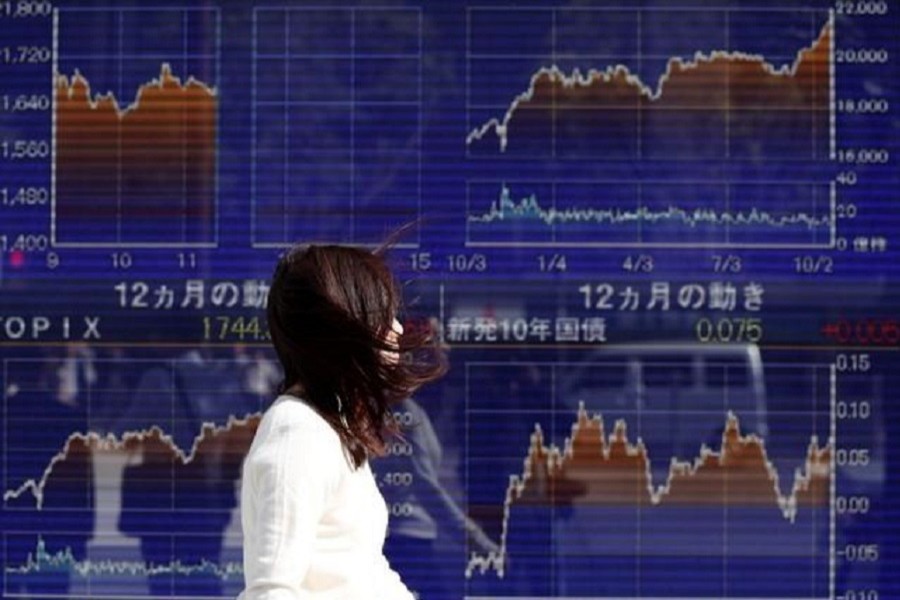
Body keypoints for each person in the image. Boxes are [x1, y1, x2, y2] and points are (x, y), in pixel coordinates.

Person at [237, 243, 446, 599]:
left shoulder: (327, 426)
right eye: (383, 317)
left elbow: (363, 568)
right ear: (343, 324)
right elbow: (271, 590)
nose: (397, 329)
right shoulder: (298, 434)